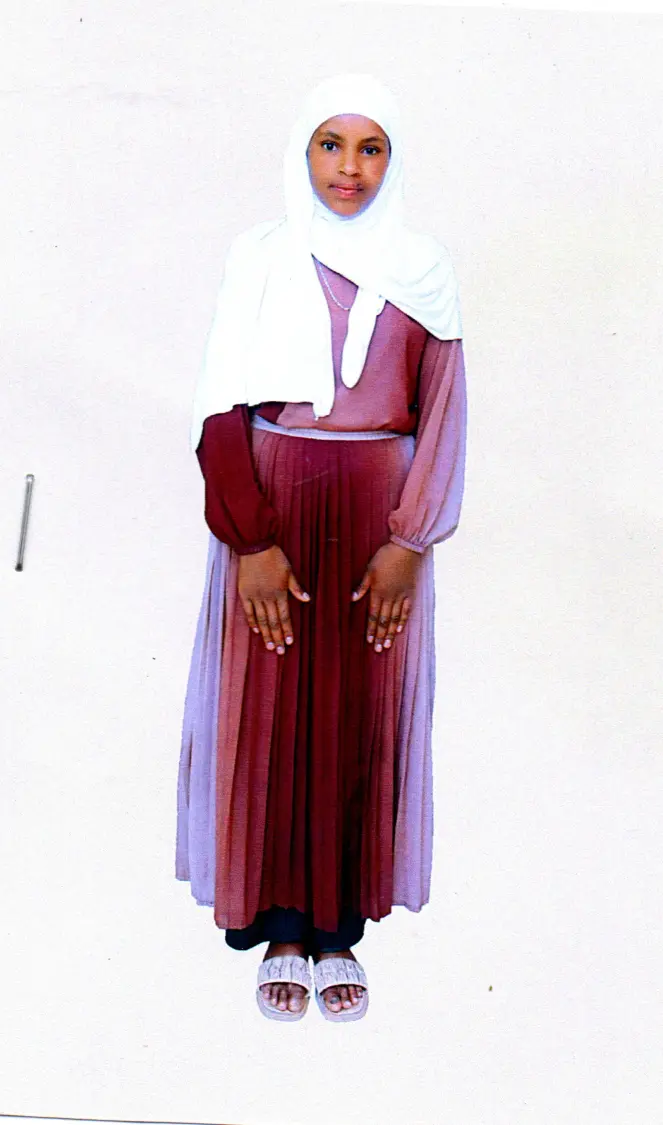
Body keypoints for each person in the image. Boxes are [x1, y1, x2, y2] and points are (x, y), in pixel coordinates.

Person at [176, 73, 467, 1023]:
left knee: (359, 705)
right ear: (301, 153)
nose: (349, 168)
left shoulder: (422, 266)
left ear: (393, 159)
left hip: (377, 517)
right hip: (274, 506)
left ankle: (337, 929)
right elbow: (220, 406)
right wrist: (251, 542)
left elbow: (443, 409)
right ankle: (281, 928)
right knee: (269, 704)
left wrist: (410, 542)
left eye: (370, 147)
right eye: (329, 145)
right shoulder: (261, 255)